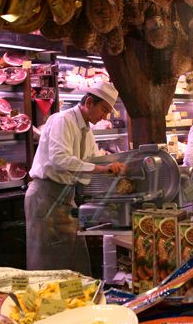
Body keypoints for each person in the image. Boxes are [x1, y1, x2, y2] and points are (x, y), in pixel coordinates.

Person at [26, 81, 126, 274]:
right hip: (45, 196)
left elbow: (89, 164)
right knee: (48, 262)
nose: (104, 117)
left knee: (74, 256)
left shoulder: (88, 131)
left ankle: (77, 302)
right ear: (89, 102)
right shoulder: (62, 120)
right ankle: (47, 302)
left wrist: (113, 179)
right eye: (103, 110)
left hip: (66, 197)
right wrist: (101, 169)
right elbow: (60, 160)